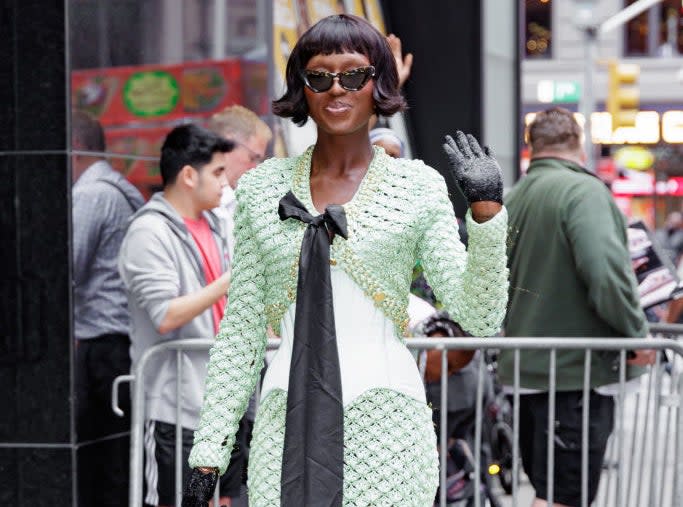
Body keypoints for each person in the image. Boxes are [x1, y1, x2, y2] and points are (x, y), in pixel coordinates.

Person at [183, 14, 508, 507]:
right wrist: (209, 451)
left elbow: (480, 316)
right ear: (302, 87)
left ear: (378, 83)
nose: (337, 89)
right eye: (319, 76)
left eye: (354, 75)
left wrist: (486, 217)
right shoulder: (260, 189)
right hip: (284, 424)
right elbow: (241, 332)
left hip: (387, 428)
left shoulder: (415, 187)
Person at [501, 107, 655, 507]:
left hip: (527, 372)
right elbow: (605, 271)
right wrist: (636, 334)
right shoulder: (583, 192)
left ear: (532, 146)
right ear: (579, 145)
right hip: (572, 376)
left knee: (548, 492)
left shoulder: (513, 198)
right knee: (562, 497)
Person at [118, 123, 234, 507]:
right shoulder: (148, 232)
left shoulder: (217, 223)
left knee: (220, 501)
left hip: (222, 408)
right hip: (176, 412)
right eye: (217, 172)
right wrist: (230, 281)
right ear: (188, 175)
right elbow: (165, 315)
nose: (225, 181)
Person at [71, 110, 144, 507]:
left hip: (102, 343)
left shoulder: (90, 193)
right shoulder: (121, 186)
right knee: (116, 455)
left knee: (99, 457)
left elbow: (69, 268)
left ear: (75, 147)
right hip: (122, 340)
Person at [206, 105, 274, 497]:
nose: (257, 166)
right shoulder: (213, 208)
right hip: (221, 357)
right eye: (254, 156)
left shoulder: (241, 202)